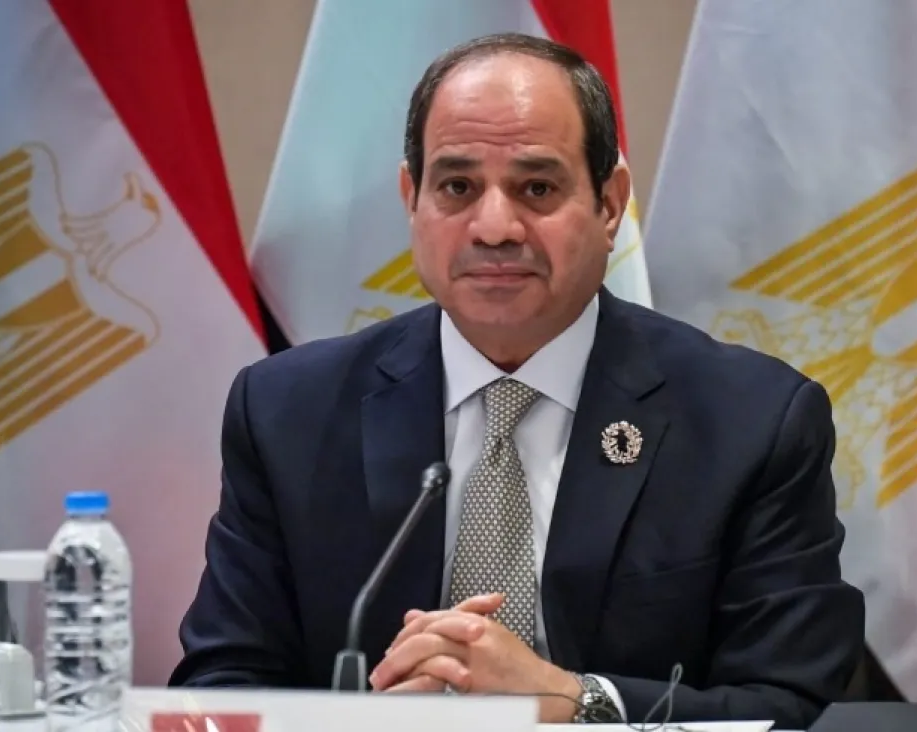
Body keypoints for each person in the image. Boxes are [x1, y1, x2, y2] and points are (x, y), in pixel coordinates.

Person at [169, 32, 865, 728]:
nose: (496, 227)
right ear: (412, 199)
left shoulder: (752, 422)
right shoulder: (287, 411)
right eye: (457, 187)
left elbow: (784, 701)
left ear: (610, 203)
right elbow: (222, 684)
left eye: (537, 188)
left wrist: (574, 703)